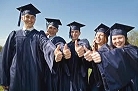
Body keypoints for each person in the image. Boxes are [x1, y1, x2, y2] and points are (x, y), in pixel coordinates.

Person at [0, 4, 63, 91]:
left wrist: (54, 52)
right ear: (22, 18)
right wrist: (4, 80)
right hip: (16, 77)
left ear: (35, 19)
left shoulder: (39, 35)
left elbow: (46, 44)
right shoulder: (14, 35)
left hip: (34, 77)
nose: (30, 19)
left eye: (32, 17)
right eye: (27, 17)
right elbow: (5, 58)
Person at [85, 23, 138, 90]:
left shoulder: (132, 50)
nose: (117, 41)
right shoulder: (110, 50)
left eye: (120, 38)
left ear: (125, 38)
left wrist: (102, 57)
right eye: (114, 39)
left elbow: (121, 55)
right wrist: (89, 58)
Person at [45, 18, 71, 91]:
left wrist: (64, 51)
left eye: (54, 28)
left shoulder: (59, 39)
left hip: (54, 71)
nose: (52, 30)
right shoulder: (43, 40)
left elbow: (61, 45)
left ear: (57, 30)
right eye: (50, 28)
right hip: (44, 70)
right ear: (47, 28)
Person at [66, 21, 91, 91]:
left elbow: (85, 45)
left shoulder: (83, 41)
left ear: (80, 33)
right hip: (70, 76)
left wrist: (82, 49)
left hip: (80, 76)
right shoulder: (67, 45)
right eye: (72, 32)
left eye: (76, 32)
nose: (74, 34)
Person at [85, 23, 110, 91]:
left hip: (103, 82)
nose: (98, 36)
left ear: (105, 37)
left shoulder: (108, 50)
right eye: (97, 34)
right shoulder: (93, 49)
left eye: (101, 35)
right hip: (93, 80)